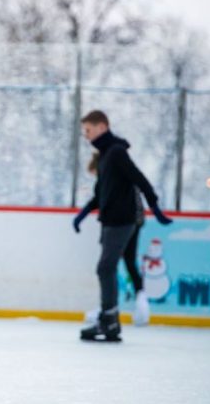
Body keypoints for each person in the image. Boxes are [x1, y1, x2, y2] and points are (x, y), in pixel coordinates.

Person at [74, 111, 172, 342]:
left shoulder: (116, 152)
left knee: (106, 267)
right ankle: (109, 320)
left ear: (101, 127)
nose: (86, 136)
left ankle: (109, 321)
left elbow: (139, 179)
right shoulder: (106, 155)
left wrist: (154, 205)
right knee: (106, 268)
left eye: (88, 130)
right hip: (110, 221)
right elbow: (100, 195)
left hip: (122, 220)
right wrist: (82, 215)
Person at [75, 152, 150, 326]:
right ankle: (136, 302)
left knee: (108, 265)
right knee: (123, 262)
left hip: (121, 223)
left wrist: (84, 214)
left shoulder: (112, 177)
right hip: (130, 221)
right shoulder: (116, 176)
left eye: (95, 173)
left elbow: (101, 199)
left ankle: (109, 308)